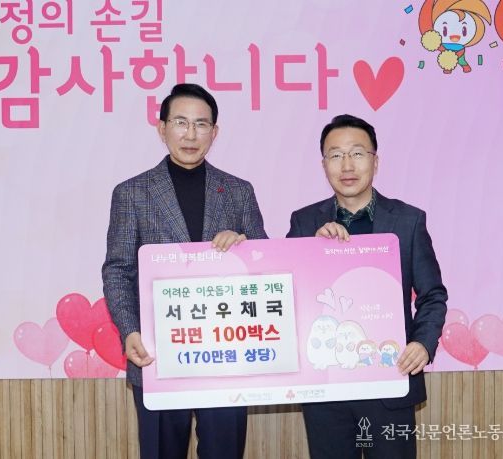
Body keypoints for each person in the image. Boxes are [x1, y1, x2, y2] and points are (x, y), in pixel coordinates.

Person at [102, 83, 267, 459]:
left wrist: (245, 246)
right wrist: (130, 330)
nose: (191, 134)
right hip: (158, 354)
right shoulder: (132, 193)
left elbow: (265, 265)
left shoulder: (238, 191)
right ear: (162, 128)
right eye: (180, 122)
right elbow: (118, 270)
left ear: (215, 132)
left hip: (226, 353)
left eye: (201, 124)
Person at [286, 114, 447, 459]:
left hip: (389, 379)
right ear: (323, 164)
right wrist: (310, 250)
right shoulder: (304, 222)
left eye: (357, 153)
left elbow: (433, 295)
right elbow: (288, 293)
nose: (347, 165)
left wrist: (423, 343)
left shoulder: (408, 220)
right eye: (335, 155)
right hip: (326, 387)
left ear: (375, 161)